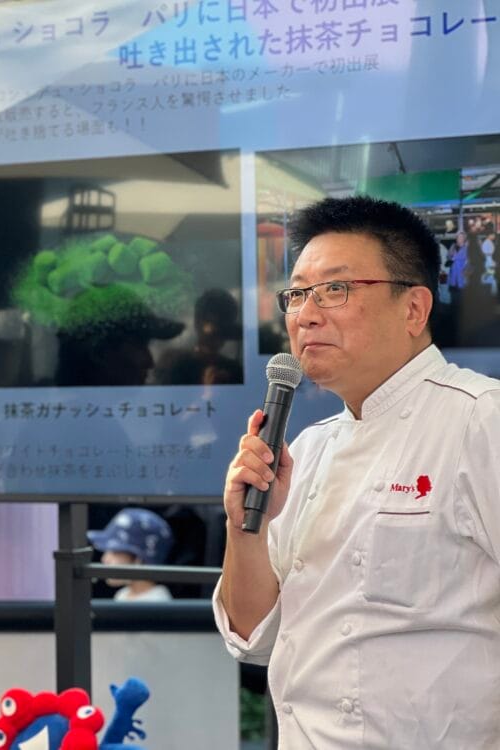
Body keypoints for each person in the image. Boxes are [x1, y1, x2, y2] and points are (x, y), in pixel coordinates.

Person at [214, 196, 500, 747]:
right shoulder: (309, 448)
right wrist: (244, 528)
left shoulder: (480, 420)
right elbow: (252, 638)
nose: (306, 314)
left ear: (413, 309)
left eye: (335, 289)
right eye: (298, 294)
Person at [87, 507, 174, 602]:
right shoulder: (123, 594)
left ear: (139, 559)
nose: (104, 559)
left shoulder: (157, 602)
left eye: (115, 552)